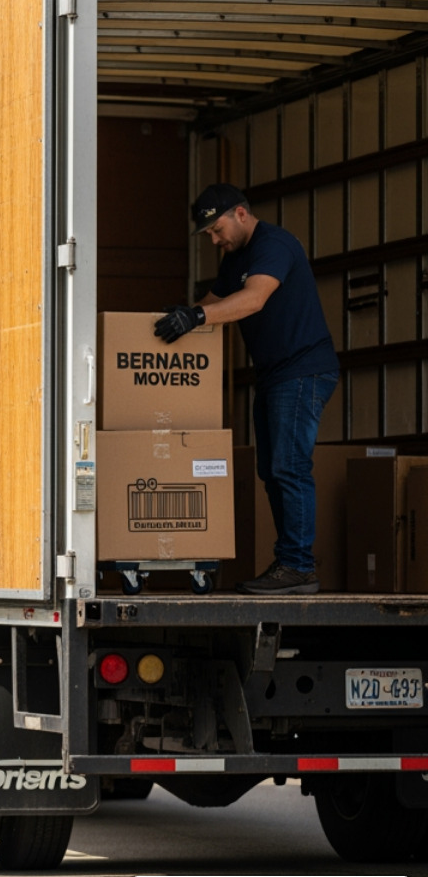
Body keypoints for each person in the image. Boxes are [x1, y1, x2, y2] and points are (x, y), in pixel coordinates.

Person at [157, 183, 341, 595]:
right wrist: (183, 316)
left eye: (217, 229)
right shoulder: (236, 256)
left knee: (288, 467)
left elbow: (253, 300)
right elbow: (215, 299)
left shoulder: (273, 245)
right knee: (272, 471)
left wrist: (198, 317)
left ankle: (297, 566)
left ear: (240, 213)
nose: (215, 240)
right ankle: (292, 563)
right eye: (208, 235)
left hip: (303, 370)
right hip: (275, 374)